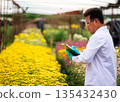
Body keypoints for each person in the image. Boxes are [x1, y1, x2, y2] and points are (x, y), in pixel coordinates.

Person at [66, 8, 117, 86]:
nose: (87, 26)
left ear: (96, 21)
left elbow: (86, 58)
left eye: (88, 23)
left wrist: (74, 57)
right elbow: (95, 55)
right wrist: (80, 53)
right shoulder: (105, 34)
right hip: (106, 81)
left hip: (99, 83)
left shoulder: (98, 36)